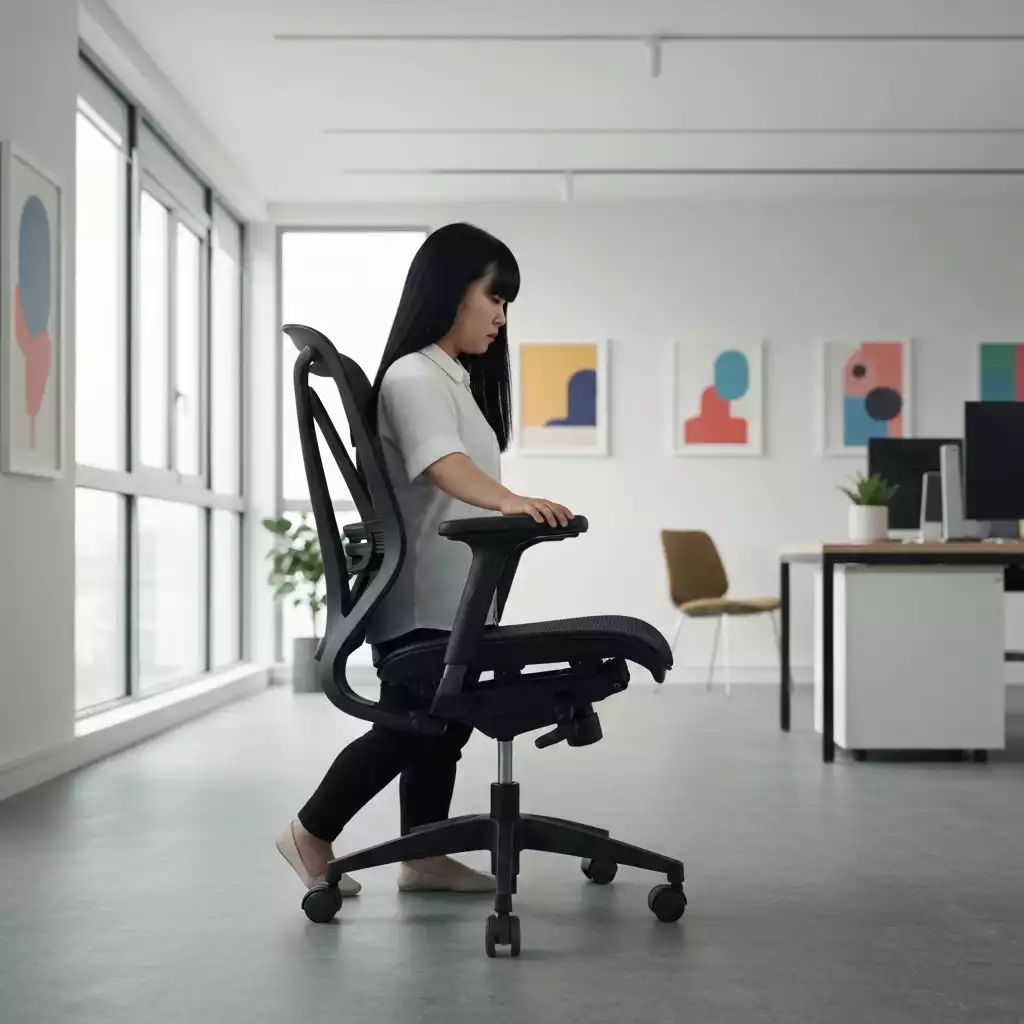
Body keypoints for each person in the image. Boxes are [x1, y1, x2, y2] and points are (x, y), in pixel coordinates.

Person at [276, 223, 573, 895]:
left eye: (507, 304)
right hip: (422, 603)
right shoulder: (415, 375)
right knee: (418, 725)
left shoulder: (447, 378)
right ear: (451, 289)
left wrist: (507, 507)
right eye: (494, 297)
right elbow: (443, 465)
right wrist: (510, 501)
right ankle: (308, 832)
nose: (501, 316)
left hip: (446, 598)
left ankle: (424, 853)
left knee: (440, 727)